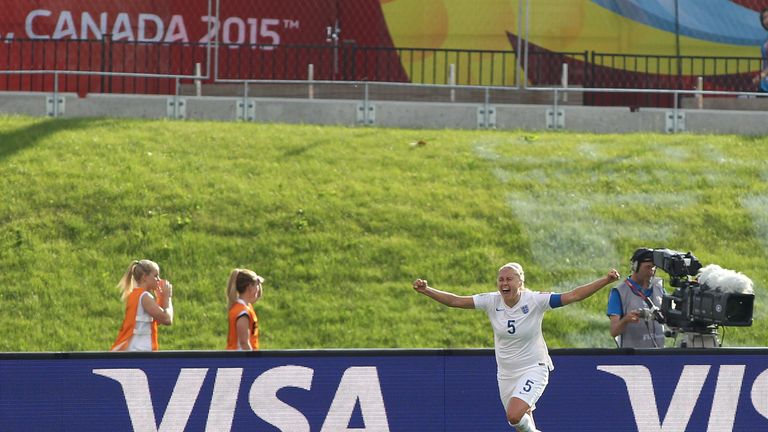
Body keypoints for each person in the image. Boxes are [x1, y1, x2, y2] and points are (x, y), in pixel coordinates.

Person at [413, 262, 619, 432]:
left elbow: (573, 295)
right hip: (506, 373)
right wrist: (426, 290)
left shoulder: (536, 300)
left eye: (509, 278)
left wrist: (605, 280)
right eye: (501, 279)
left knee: (514, 414)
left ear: (520, 282)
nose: (504, 283)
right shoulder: (491, 301)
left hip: (533, 367)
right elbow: (455, 301)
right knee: (519, 423)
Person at [606, 248, 666, 348]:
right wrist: (626, 320)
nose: (652, 272)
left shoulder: (659, 288)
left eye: (654, 268)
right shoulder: (619, 292)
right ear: (635, 266)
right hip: (633, 358)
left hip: (659, 355)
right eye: (648, 267)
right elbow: (614, 331)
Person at [111, 259, 174, 351]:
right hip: (140, 349)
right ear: (144, 277)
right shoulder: (145, 297)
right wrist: (167, 297)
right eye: (156, 276)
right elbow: (167, 319)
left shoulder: (135, 295)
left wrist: (160, 299)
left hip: (133, 347)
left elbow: (156, 320)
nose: (159, 280)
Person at [226, 268, 264, 351]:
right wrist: (251, 362)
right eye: (257, 285)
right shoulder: (242, 312)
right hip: (239, 360)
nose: (258, 288)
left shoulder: (244, 307)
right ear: (249, 287)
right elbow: (244, 343)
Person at [754, 8, 768, 93]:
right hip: (764, 85)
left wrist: (762, 75)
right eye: (764, 18)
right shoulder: (766, 38)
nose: (766, 20)